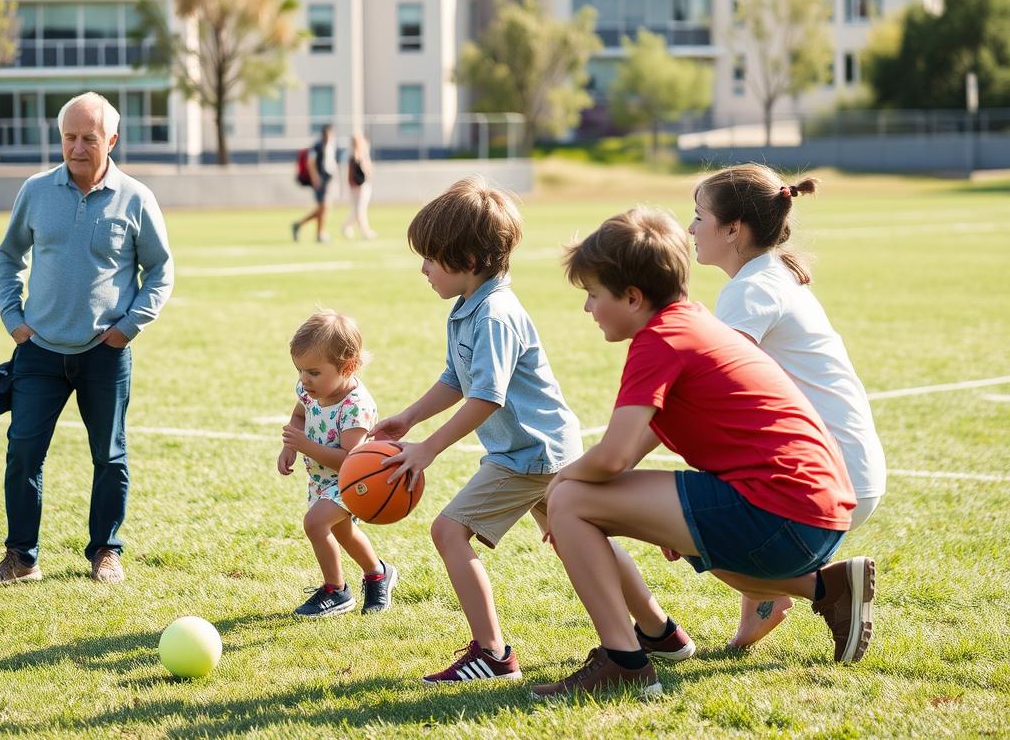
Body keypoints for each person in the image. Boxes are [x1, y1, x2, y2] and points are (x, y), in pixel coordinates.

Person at [531, 207, 872, 701]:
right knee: (597, 503)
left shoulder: (660, 340)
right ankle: (827, 590)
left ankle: (624, 662)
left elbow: (612, 458)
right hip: (812, 512)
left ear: (632, 296)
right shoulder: (691, 323)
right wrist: (653, 516)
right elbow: (635, 447)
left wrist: (559, 482)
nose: (587, 309)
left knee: (571, 502)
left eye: (592, 294)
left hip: (784, 512)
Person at [371, 177, 582, 684]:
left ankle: (492, 653)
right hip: (541, 447)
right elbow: (456, 379)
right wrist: (409, 418)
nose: (422, 269)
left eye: (430, 258)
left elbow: (487, 397)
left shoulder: (493, 314)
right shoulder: (469, 309)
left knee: (448, 530)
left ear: (467, 260)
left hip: (527, 454)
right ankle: (656, 629)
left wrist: (428, 449)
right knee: (578, 540)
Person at [0, 91, 174, 586]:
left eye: (89, 138)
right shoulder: (36, 191)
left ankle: (105, 553)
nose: (78, 147)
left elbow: (160, 270)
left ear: (111, 139)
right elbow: (8, 256)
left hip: (104, 354)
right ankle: (21, 558)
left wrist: (128, 327)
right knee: (23, 452)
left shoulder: (137, 198)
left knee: (109, 457)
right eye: (69, 137)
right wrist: (12, 316)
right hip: (39, 350)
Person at [689, 164, 886, 648]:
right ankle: (762, 607)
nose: (690, 228)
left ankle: (824, 588)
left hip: (835, 478)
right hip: (848, 470)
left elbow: (712, 386)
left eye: (698, 216)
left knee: (676, 514)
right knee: (715, 484)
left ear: (733, 228)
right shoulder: (768, 276)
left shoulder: (751, 290)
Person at [279, 309, 397, 617]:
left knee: (315, 523)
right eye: (300, 371)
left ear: (348, 367)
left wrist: (306, 445)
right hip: (321, 479)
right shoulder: (310, 391)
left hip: (353, 480)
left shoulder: (355, 407)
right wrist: (290, 447)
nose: (304, 380)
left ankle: (335, 590)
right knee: (343, 532)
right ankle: (377, 573)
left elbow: (350, 459)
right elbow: (299, 415)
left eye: (314, 373)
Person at [291, 124, 338, 243]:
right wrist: (315, 177)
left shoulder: (330, 145)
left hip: (328, 180)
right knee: (324, 207)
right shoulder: (317, 146)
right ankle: (319, 233)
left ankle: (304, 227)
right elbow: (310, 162)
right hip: (320, 181)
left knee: (323, 208)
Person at [341, 132, 376, 240]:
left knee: (359, 210)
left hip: (364, 185)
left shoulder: (364, 153)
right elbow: (348, 172)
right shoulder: (349, 155)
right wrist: (349, 185)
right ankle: (365, 232)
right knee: (358, 210)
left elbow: (368, 170)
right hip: (355, 186)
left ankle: (347, 227)